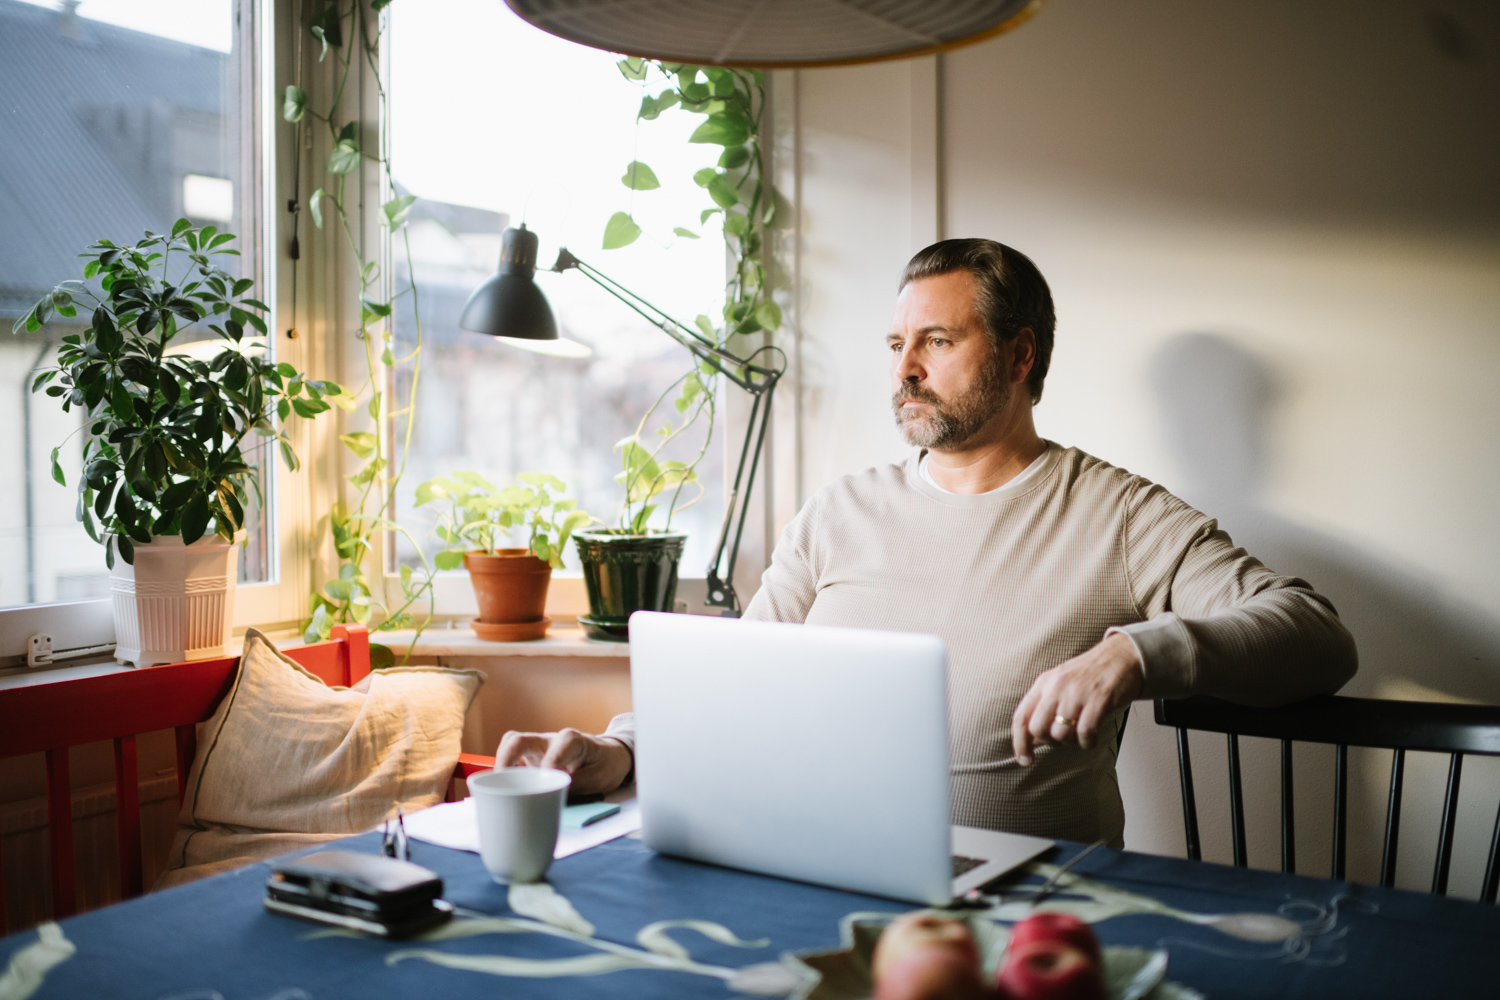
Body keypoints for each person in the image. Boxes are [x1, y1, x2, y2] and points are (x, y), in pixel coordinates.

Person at [497, 239, 1358, 845]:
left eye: (937, 342)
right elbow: (736, 684)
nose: (905, 369)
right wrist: (619, 751)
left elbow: (1317, 634)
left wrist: (1139, 652)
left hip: (1031, 916)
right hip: (825, 880)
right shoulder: (838, 513)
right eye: (898, 343)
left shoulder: (1121, 515)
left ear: (1019, 357)